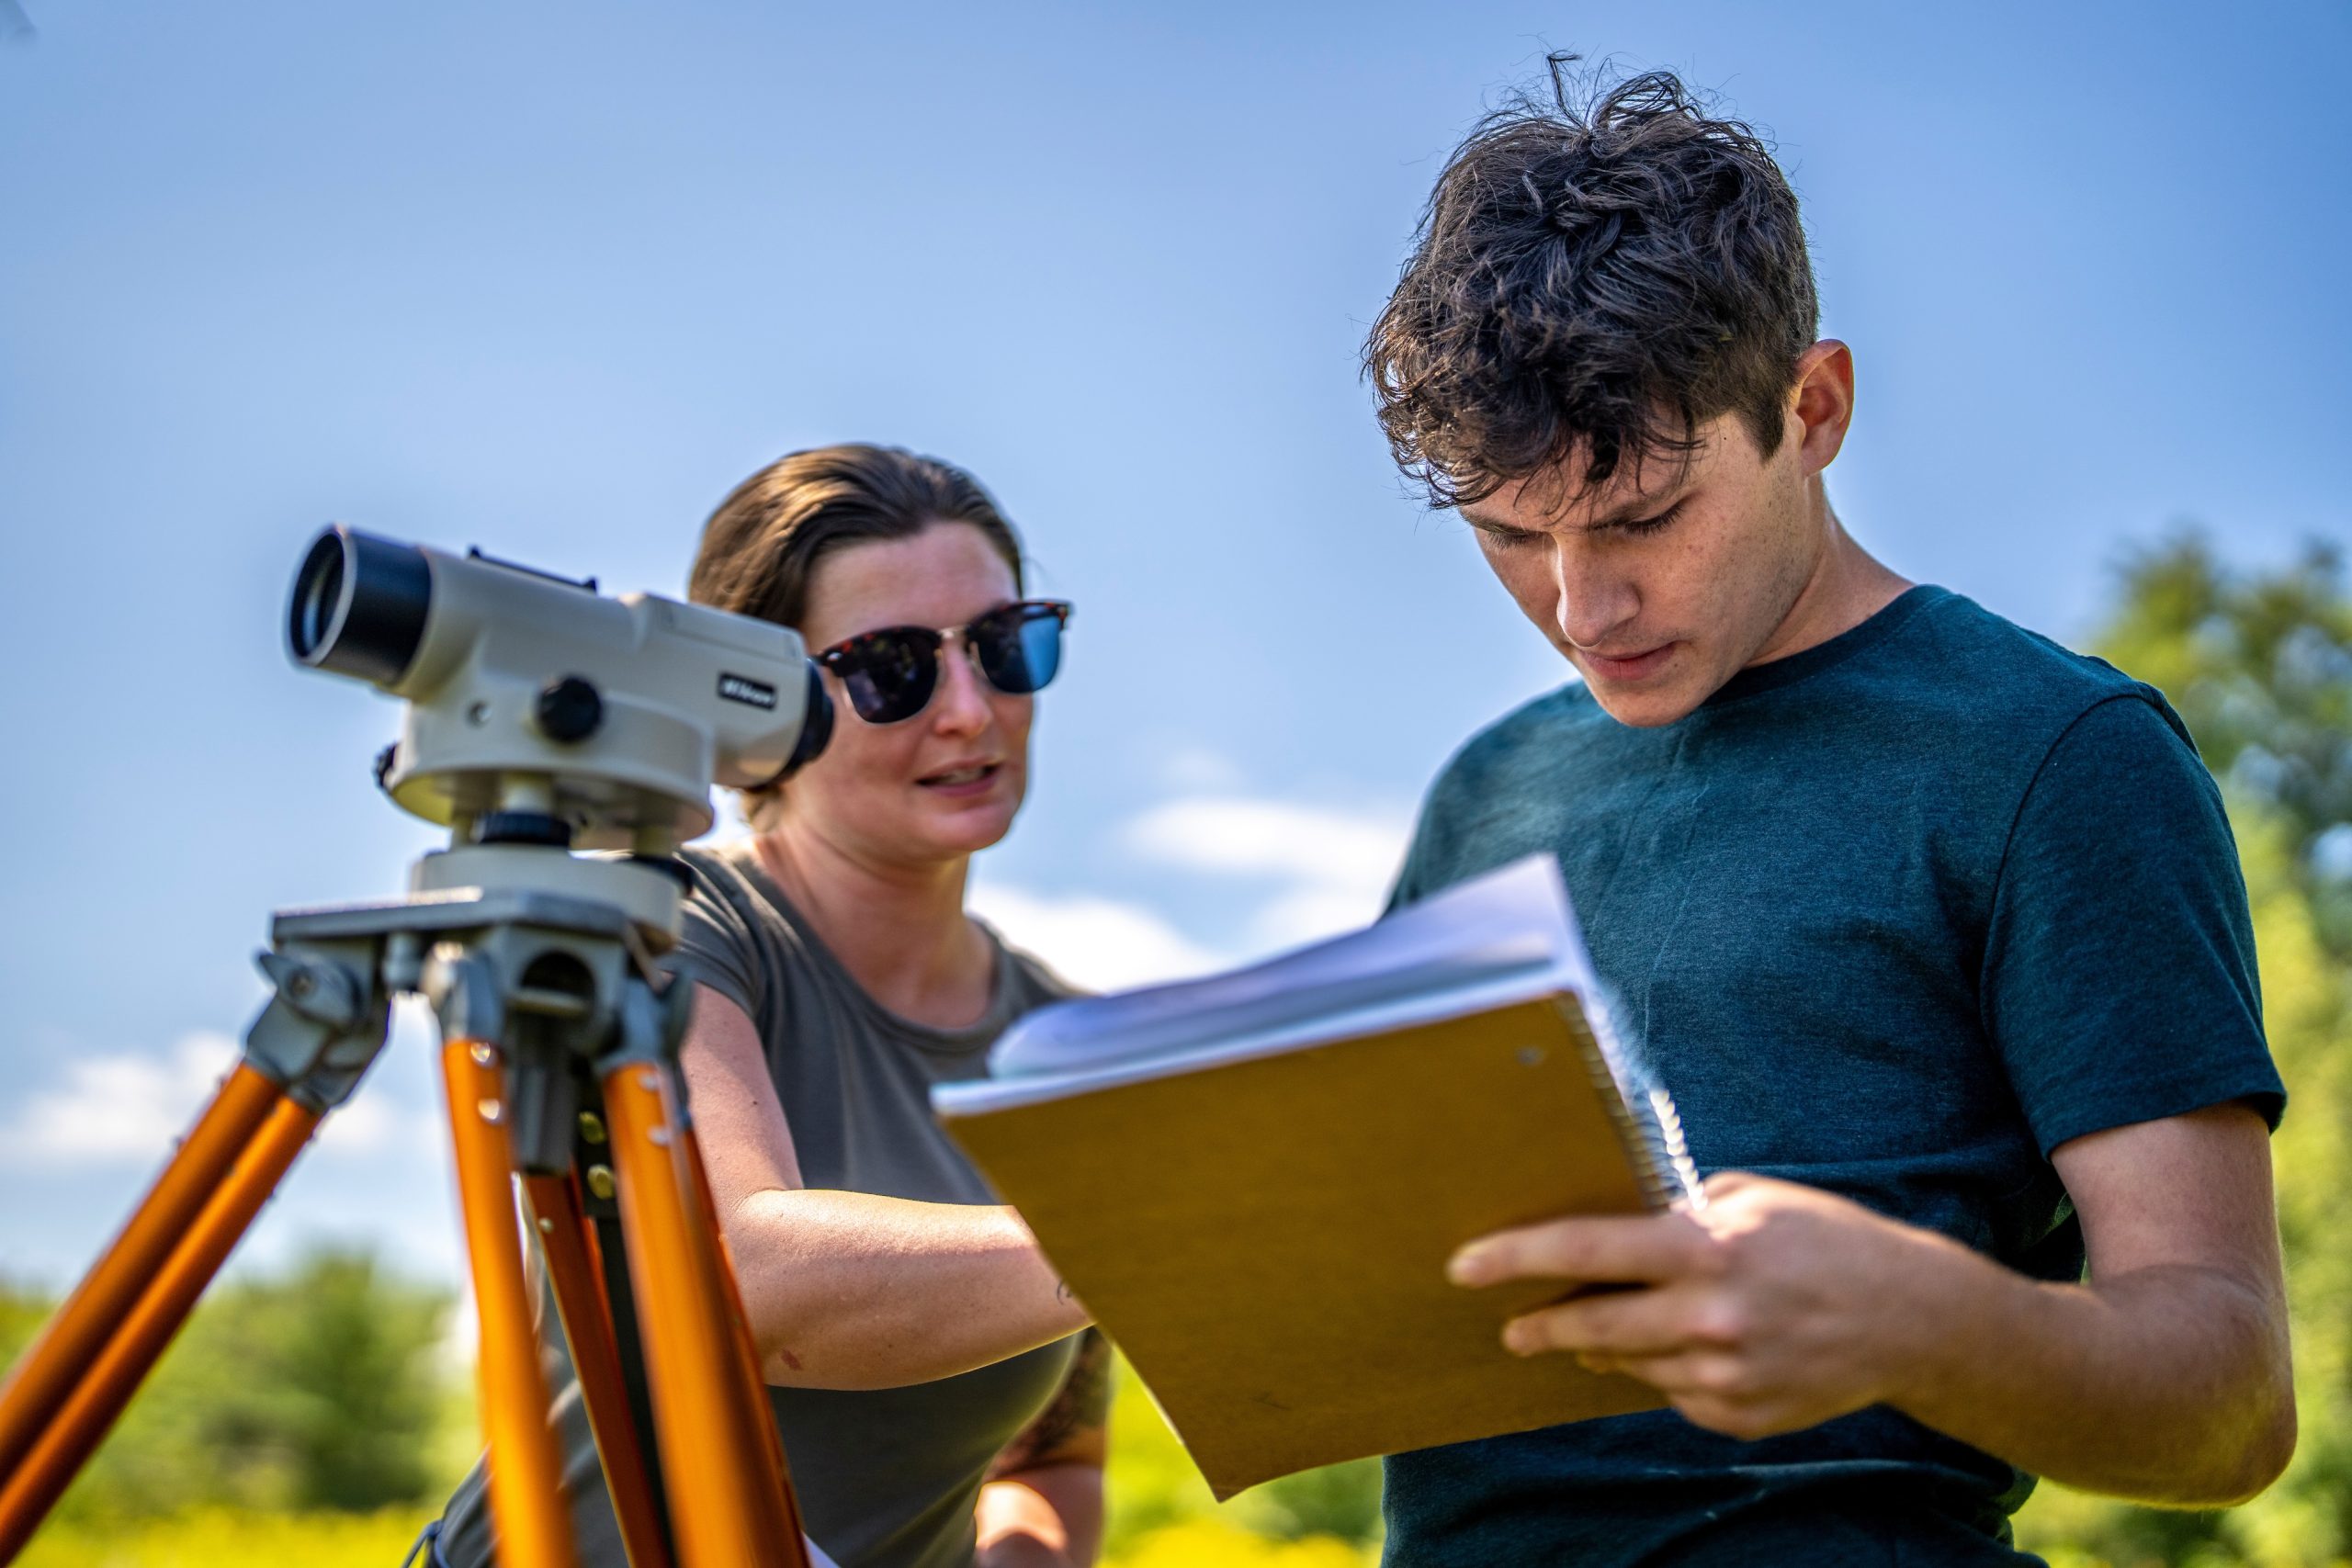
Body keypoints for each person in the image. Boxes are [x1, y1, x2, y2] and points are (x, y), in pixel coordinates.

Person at [1358, 61, 2293, 1565]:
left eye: (1645, 517)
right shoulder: (1481, 795)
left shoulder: (2056, 754)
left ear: (1815, 406)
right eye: (1510, 537)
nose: (1582, 607)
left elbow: (2231, 1399)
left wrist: (1920, 1319)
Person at [426, 445, 1107, 1568]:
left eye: (1004, 644)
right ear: (753, 711)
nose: (969, 710)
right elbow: (753, 1282)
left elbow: (1051, 1456)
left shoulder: (1070, 1039)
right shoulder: (665, 918)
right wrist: (1167, 1236)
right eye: (892, 667)